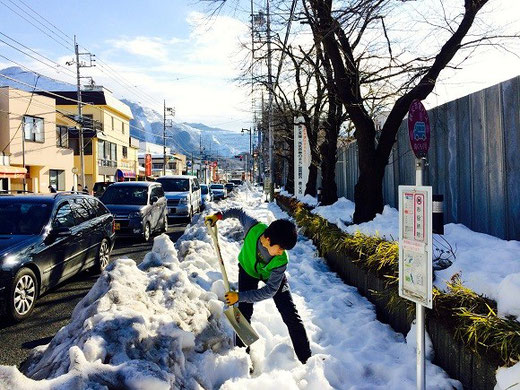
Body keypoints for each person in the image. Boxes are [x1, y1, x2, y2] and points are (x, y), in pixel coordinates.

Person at [205, 209, 312, 364]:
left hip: (273, 278)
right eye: (281, 248)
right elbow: (239, 212)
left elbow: (269, 291)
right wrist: (219, 216)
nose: (282, 253)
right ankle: (241, 358)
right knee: (243, 313)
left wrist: (239, 296)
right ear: (268, 239)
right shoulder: (253, 227)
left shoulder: (281, 261)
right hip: (248, 270)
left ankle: (307, 360)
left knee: (291, 315)